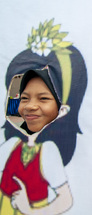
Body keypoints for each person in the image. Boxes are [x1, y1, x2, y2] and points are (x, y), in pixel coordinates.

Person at [0, 69, 72, 215]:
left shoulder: (48, 151)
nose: (31, 107)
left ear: (61, 110)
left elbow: (65, 200)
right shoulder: (11, 145)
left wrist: (29, 210)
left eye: (43, 99)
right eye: (24, 98)